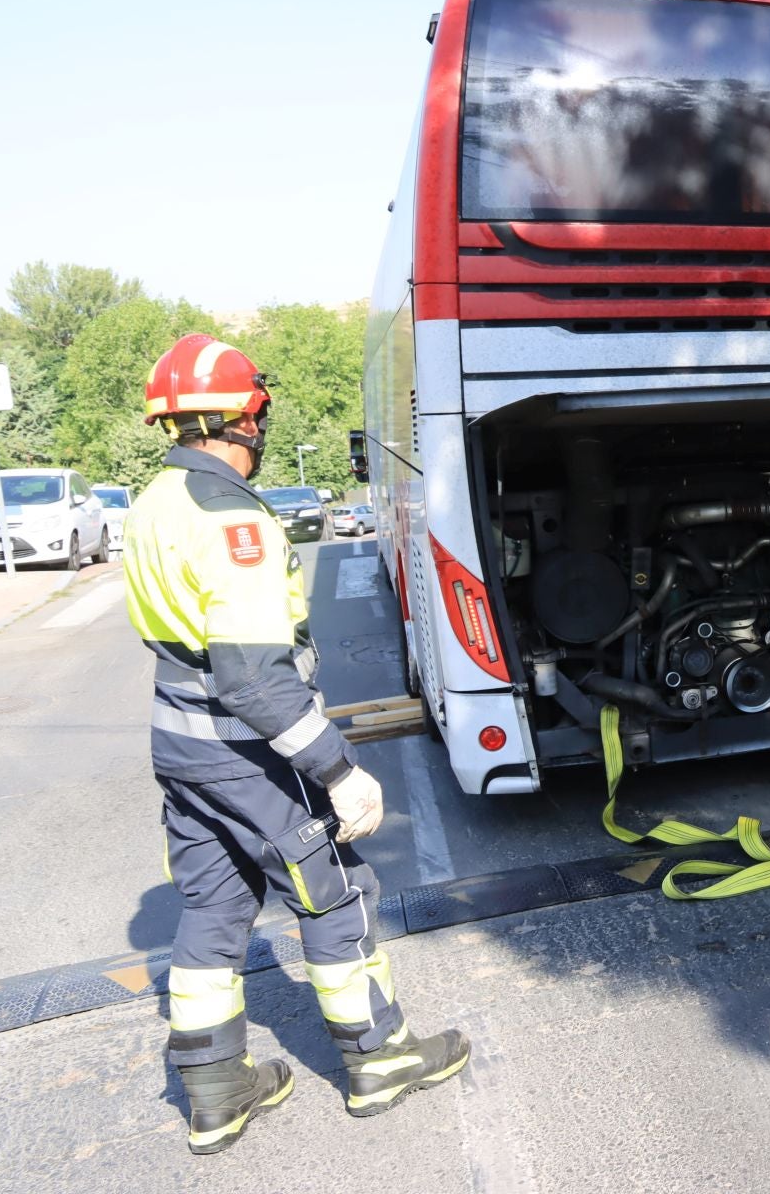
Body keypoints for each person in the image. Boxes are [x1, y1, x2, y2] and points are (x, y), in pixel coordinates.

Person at [122, 333, 470, 1154]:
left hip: (182, 749)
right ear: (246, 417)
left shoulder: (154, 501)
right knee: (338, 895)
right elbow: (253, 680)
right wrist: (339, 771)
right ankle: (380, 1059)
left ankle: (215, 1092)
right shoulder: (228, 519)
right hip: (251, 756)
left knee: (212, 906)